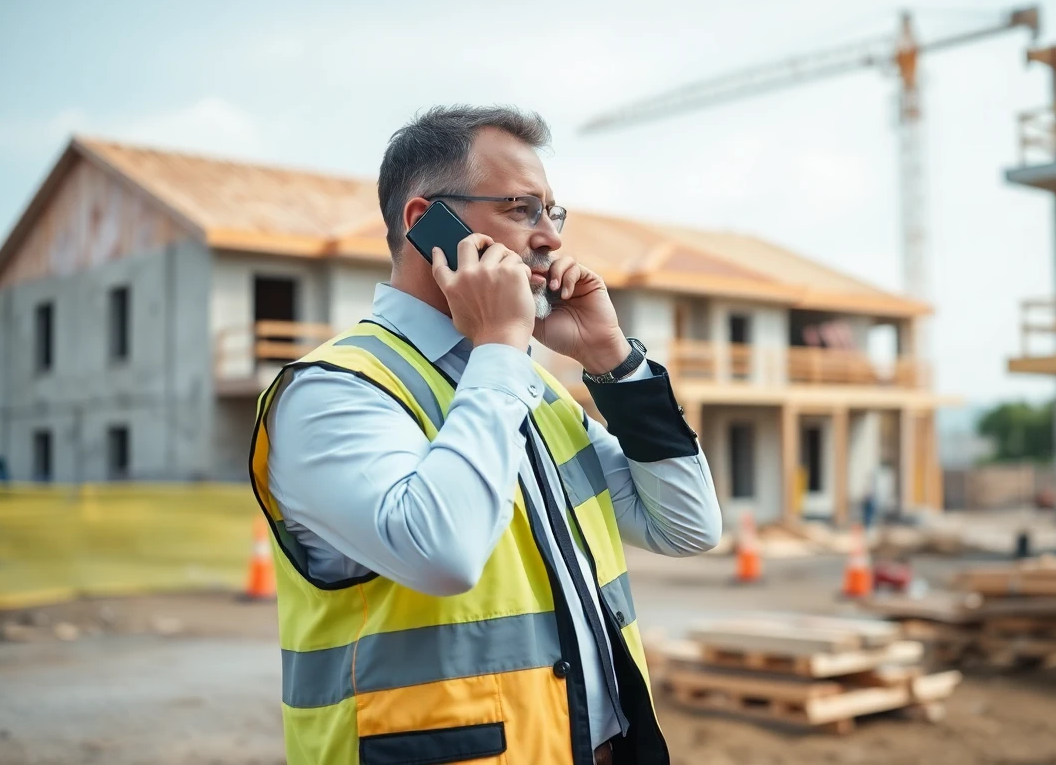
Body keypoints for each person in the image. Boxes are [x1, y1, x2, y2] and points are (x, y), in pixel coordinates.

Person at [249, 106, 722, 765]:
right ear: (425, 225)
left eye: (553, 215)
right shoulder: (334, 390)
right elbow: (443, 554)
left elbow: (687, 525)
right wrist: (500, 345)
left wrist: (613, 360)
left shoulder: (528, 390)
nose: (550, 240)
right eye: (523, 209)